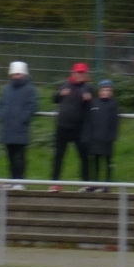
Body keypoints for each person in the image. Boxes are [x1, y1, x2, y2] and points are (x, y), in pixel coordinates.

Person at [49, 62, 91, 191]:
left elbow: (92, 105)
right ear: (73, 73)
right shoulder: (65, 85)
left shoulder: (88, 87)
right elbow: (54, 99)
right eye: (78, 72)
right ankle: (55, 183)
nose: (80, 75)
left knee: (84, 156)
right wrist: (60, 94)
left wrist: (89, 100)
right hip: (62, 127)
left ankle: (85, 183)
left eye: (83, 73)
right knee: (58, 156)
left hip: (79, 128)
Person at [0, 62, 37, 189]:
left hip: (20, 128)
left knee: (19, 156)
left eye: (18, 74)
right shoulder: (6, 89)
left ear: (24, 74)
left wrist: (22, 119)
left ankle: (20, 181)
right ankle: (13, 179)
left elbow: (32, 106)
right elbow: (1, 104)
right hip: (8, 127)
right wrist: (3, 116)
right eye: (14, 74)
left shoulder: (30, 89)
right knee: (10, 156)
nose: (16, 76)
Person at [81, 78, 119, 188]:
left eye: (108, 90)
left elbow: (115, 122)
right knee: (95, 161)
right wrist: (87, 135)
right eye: (104, 90)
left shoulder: (113, 104)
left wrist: (112, 136)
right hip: (95, 138)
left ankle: (107, 184)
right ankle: (95, 183)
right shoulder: (94, 103)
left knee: (107, 161)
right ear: (99, 91)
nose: (106, 92)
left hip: (107, 138)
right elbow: (88, 120)